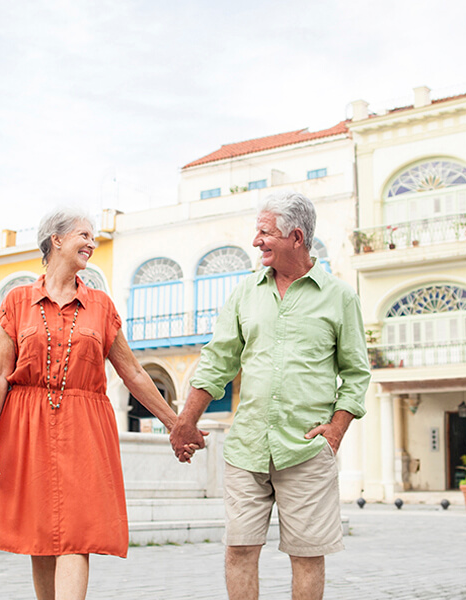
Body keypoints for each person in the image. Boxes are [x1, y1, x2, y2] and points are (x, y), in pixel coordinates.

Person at [169, 191, 371, 600]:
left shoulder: (340, 297)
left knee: (308, 554)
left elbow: (356, 373)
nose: (257, 240)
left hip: (306, 447)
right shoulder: (245, 293)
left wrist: (335, 430)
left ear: (296, 237)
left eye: (265, 232)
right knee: (239, 548)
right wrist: (185, 421)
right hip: (248, 446)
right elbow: (217, 362)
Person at [0, 207, 181, 600]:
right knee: (40, 532)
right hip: (26, 422)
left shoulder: (101, 305)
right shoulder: (17, 302)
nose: (91, 242)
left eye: (93, 237)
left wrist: (175, 422)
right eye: (84, 235)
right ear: (57, 240)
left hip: (84, 423)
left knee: (77, 530)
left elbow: (133, 373)